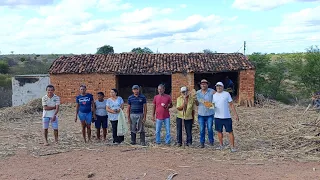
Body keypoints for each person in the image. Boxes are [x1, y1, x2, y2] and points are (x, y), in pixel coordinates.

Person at [212, 82, 239, 152]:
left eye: (220, 86)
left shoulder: (226, 94)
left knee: (230, 131)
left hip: (226, 117)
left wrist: (235, 114)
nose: (218, 87)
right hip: (217, 117)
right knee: (219, 131)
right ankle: (221, 145)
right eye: (217, 86)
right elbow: (213, 106)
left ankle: (232, 147)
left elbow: (231, 105)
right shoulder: (214, 95)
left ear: (223, 87)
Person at [195, 79, 216, 148]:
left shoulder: (212, 91)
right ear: (200, 85)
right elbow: (197, 104)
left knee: (210, 128)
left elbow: (217, 98)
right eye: (202, 84)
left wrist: (213, 105)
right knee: (201, 129)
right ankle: (202, 142)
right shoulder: (197, 93)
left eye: (205, 84)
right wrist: (195, 100)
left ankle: (211, 141)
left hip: (210, 113)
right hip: (201, 114)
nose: (203, 85)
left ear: (207, 84)